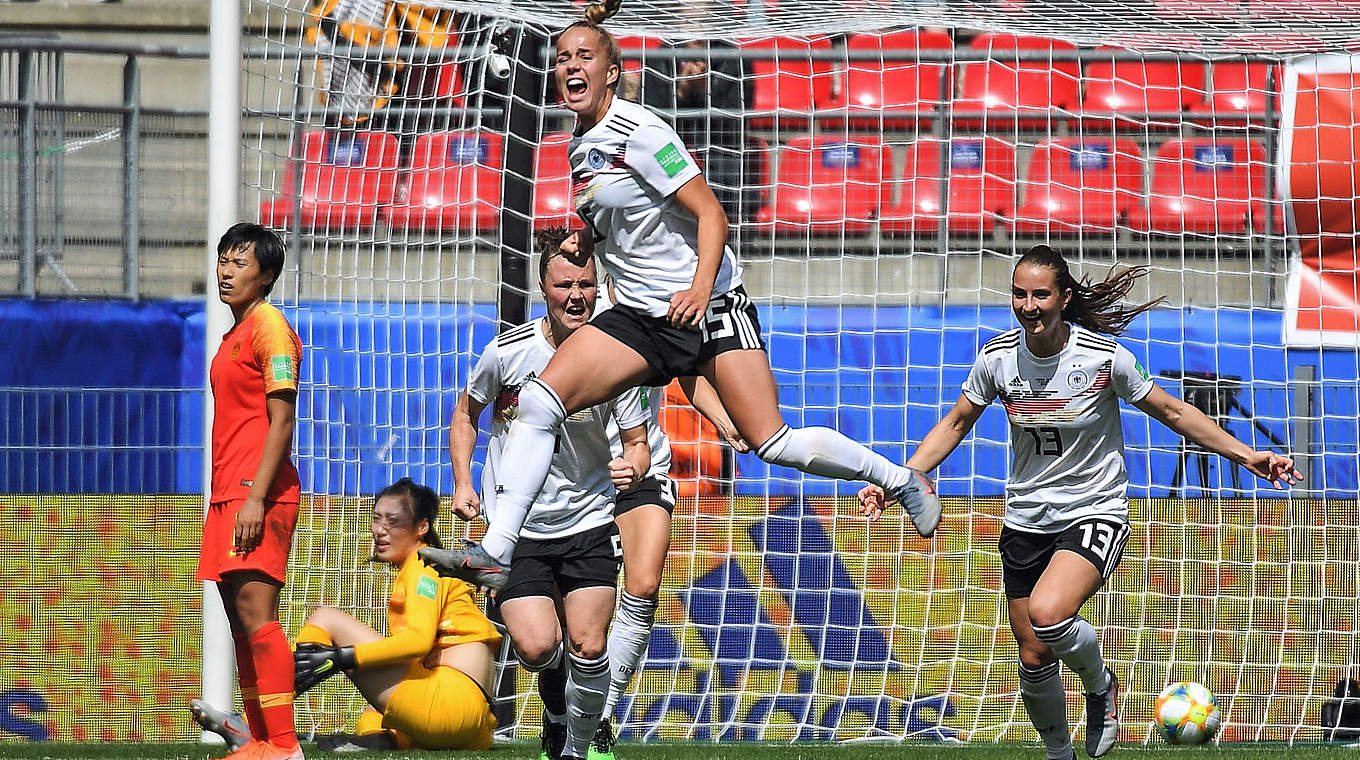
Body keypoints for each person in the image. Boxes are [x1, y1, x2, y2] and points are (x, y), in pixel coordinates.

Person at [422, 0, 942, 597]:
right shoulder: (578, 145)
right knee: (540, 403)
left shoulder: (641, 131)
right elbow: (628, 224)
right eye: (563, 56)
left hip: (708, 307)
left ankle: (902, 481)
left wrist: (700, 288)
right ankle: (497, 550)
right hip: (642, 318)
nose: (570, 65)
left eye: (584, 55)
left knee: (770, 440)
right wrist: (585, 236)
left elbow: (711, 213)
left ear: (612, 70)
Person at [858, 245, 1301, 760]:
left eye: (1040, 294)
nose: (1029, 305)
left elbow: (1174, 411)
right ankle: (1058, 755)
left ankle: (1100, 685)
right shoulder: (996, 359)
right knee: (1033, 654)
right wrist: (898, 481)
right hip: (1025, 516)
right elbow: (955, 423)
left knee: (1049, 613)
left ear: (1064, 298)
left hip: (1093, 508)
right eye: (1019, 295)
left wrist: (1248, 456)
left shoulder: (1103, 357)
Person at [429, 232, 652, 760]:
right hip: (518, 529)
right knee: (537, 646)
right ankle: (557, 713)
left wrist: (632, 467)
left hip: (588, 521)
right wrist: (463, 480)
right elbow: (467, 413)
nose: (577, 295)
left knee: (590, 645)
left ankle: (576, 746)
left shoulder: (617, 361)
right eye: (565, 285)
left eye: (587, 284)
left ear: (602, 287)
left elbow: (639, 444)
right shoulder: (506, 353)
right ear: (542, 288)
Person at [193, 478, 501, 753]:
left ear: (421, 527)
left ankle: (260, 726)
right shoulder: (422, 568)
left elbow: (418, 643)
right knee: (371, 715)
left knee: (326, 618)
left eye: (392, 521)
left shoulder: (423, 569)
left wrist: (342, 658)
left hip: (452, 706)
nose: (379, 530)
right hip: (472, 727)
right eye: (376, 518)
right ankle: (382, 740)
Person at [193, 222, 304, 760]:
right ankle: (261, 740)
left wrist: (257, 497)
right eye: (223, 259)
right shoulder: (234, 332)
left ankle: (283, 746)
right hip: (227, 493)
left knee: (258, 616)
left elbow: (281, 422)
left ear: (267, 275)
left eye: (239, 262)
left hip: (256, 491)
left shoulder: (270, 329)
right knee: (240, 621)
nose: (225, 270)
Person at [639, 38, 755, 225]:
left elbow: (734, 125)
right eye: (690, 19)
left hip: (719, 156)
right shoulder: (659, 60)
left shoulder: (734, 61)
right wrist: (682, 93)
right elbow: (653, 124)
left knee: (721, 177)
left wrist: (706, 93)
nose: (696, 30)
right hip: (670, 153)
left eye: (703, 19)